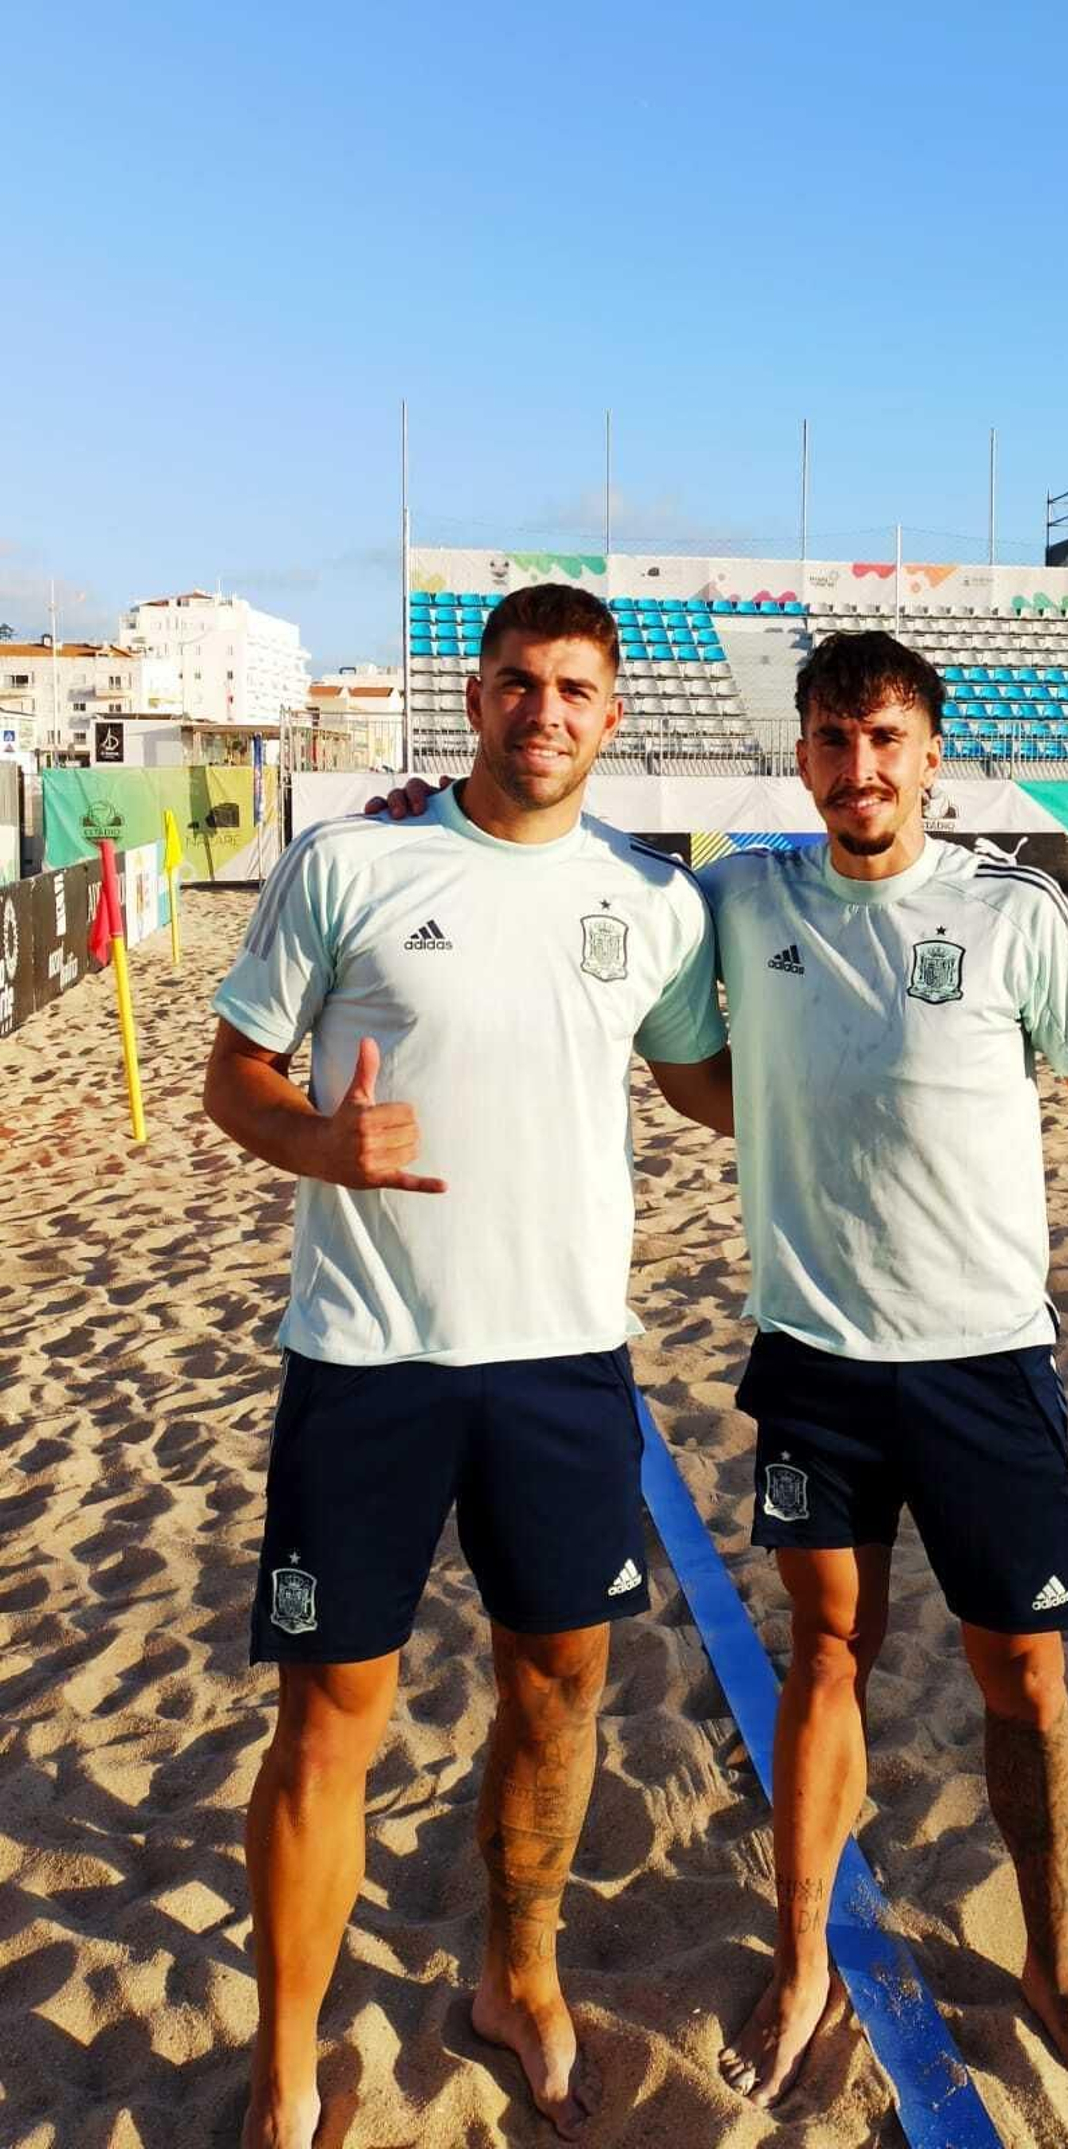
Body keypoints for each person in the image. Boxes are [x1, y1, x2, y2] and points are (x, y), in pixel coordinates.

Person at [380, 623, 1068, 2121]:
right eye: (830, 739)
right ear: (799, 753)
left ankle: (1056, 1960)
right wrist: (427, 818)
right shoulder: (739, 900)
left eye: (885, 741)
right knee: (826, 1654)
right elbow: (576, 886)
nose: (857, 767)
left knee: (1025, 1674)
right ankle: (804, 1954)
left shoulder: (1013, 914)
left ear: (930, 757)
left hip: (988, 1361)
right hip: (816, 1359)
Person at [206, 583, 732, 2149]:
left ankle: (519, 1975)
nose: (543, 710)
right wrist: (319, 1140)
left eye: (573, 688)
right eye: (517, 681)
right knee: (328, 1723)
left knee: (559, 1692)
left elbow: (705, 1082)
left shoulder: (654, 901)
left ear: (612, 714)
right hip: (368, 1362)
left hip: (564, 1367)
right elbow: (234, 1074)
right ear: (476, 696)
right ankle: (287, 2064)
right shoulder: (349, 863)